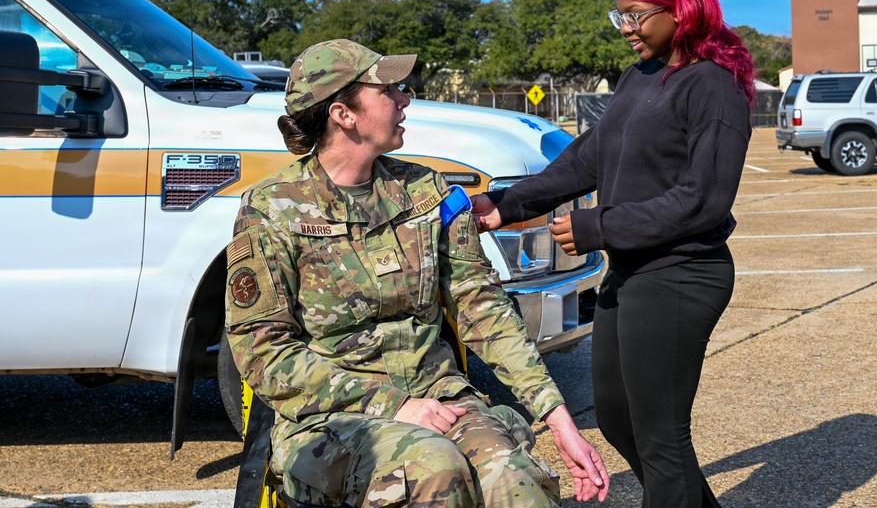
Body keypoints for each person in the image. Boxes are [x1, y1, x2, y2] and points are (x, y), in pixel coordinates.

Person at [223, 39, 609, 508]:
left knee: (513, 478)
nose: (404, 99)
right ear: (343, 114)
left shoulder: (426, 192)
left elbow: (482, 307)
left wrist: (557, 418)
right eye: (388, 90)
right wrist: (394, 406)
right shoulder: (272, 209)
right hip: (331, 417)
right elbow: (262, 350)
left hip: (439, 397)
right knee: (433, 469)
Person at [472, 0, 755, 508]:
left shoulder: (713, 84)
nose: (626, 27)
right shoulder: (638, 77)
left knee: (661, 438)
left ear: (683, 7)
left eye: (637, 14)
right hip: (629, 272)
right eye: (620, 14)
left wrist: (597, 228)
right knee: (619, 419)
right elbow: (586, 160)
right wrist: (506, 205)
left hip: (682, 273)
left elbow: (703, 200)